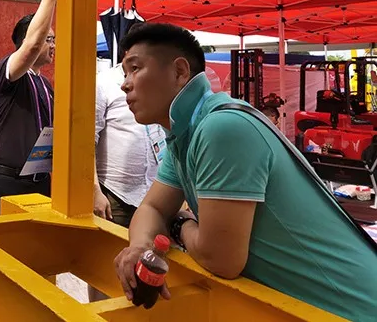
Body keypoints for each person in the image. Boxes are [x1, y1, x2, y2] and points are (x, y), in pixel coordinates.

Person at [113, 23, 377, 321]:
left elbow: (220, 259)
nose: (125, 84)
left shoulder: (221, 128)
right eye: (125, 73)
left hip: (351, 309)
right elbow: (152, 208)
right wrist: (140, 246)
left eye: (135, 69)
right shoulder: (187, 132)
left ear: (179, 71)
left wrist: (179, 224)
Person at [91, 29, 164, 301]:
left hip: (154, 193)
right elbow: (88, 138)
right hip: (115, 196)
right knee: (106, 270)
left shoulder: (157, 84)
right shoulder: (104, 83)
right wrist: (95, 190)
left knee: (146, 270)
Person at [0, 0, 57, 216]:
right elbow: (32, 46)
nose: (53, 45)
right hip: (7, 182)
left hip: (40, 181)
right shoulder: (9, 70)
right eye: (48, 38)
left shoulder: (45, 84)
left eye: (54, 39)